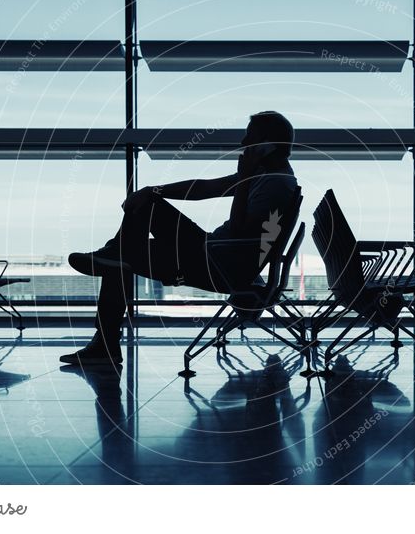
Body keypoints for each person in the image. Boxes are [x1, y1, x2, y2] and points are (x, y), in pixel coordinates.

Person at [60, 111, 298, 365]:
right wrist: (154, 190)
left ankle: (105, 341)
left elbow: (240, 231)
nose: (242, 143)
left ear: (266, 144)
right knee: (143, 212)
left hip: (217, 264)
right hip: (213, 252)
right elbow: (205, 188)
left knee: (121, 258)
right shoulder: (266, 174)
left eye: (249, 137)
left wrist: (243, 180)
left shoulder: (274, 184)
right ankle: (114, 257)